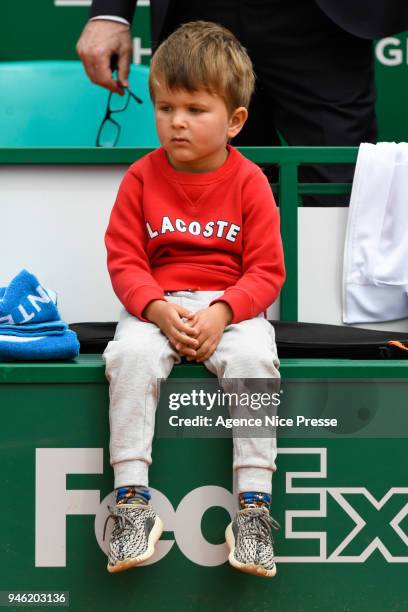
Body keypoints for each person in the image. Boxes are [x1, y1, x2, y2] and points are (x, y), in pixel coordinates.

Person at [102, 21, 285, 577]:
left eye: (195, 109)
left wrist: (224, 311)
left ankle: (253, 511)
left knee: (256, 362)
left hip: (231, 308)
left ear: (234, 121)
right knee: (129, 357)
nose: (176, 121)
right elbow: (125, 260)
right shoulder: (140, 176)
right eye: (164, 107)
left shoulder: (250, 180)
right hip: (157, 305)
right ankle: (132, 504)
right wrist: (157, 309)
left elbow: (267, 271)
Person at [76, 0, 408, 203]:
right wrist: (110, 11)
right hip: (200, 12)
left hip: (319, 19)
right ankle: (217, 310)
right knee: (212, 188)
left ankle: (335, 316)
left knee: (340, 187)